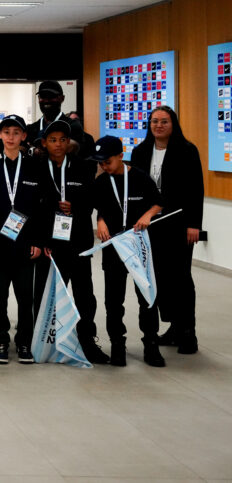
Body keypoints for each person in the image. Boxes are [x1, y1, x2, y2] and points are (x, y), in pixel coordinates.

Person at [130, 105, 202, 355]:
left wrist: (195, 224)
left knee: (180, 279)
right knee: (158, 279)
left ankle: (187, 333)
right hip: (150, 226)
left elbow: (196, 190)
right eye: (154, 121)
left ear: (173, 125)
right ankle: (173, 326)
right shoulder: (140, 152)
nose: (158, 126)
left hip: (179, 225)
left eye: (164, 121)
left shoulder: (187, 151)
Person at [37, 120, 110, 364]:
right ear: (45, 143)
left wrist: (76, 206)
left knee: (84, 296)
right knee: (49, 295)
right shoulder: (37, 166)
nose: (58, 144)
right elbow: (32, 205)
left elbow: (94, 199)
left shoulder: (83, 168)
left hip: (78, 243)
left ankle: (87, 341)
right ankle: (46, 340)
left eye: (63, 140)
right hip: (50, 243)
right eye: (53, 140)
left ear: (69, 143)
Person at [91, 135, 164, 367]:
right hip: (114, 247)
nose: (103, 166)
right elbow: (100, 207)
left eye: (108, 161)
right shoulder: (102, 182)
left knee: (146, 295)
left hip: (138, 245)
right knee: (113, 299)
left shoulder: (140, 177)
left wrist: (148, 214)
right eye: (100, 162)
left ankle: (151, 344)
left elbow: (158, 202)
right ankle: (117, 344)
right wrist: (100, 221)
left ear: (121, 156)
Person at [0, 114, 47, 365]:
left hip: (25, 245)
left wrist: (38, 242)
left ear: (23, 136)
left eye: (16, 132)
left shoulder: (34, 167)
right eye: (6, 132)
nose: (11, 137)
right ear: (0, 136)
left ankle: (24, 341)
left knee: (25, 296)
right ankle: (0, 339)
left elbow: (41, 210)